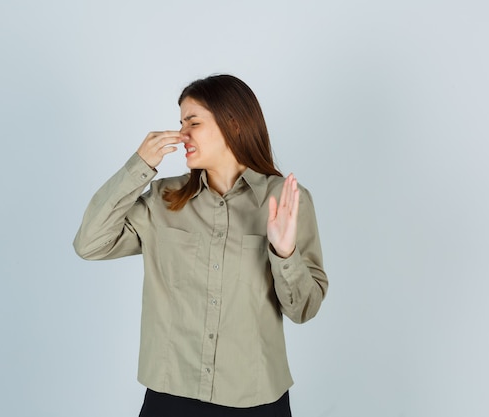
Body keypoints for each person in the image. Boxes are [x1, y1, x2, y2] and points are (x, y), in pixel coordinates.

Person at [73, 74, 328, 416]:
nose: (182, 135)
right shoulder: (164, 199)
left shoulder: (284, 200)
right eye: (181, 123)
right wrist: (140, 166)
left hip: (254, 398)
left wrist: (285, 253)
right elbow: (89, 243)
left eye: (193, 122)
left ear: (233, 124)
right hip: (170, 394)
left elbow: (304, 309)